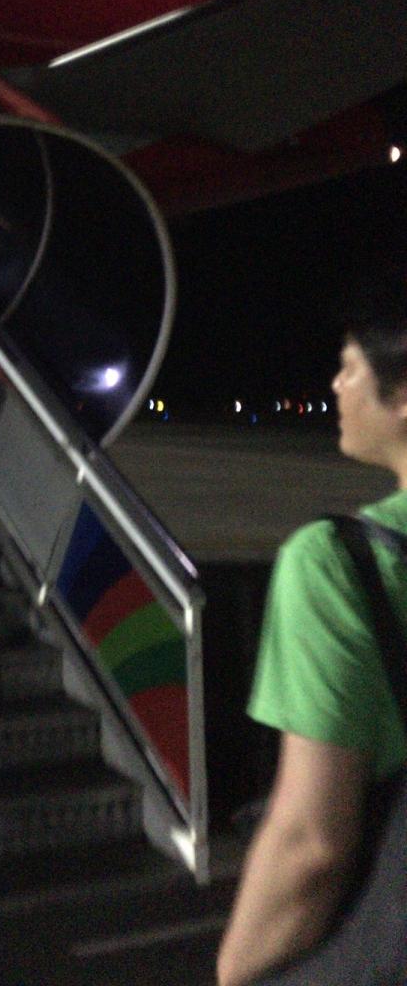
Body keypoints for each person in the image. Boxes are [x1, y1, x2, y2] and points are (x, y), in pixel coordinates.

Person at [217, 295, 407, 985]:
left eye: (349, 367)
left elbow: (310, 845)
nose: (335, 384)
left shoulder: (338, 564)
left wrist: (234, 971)